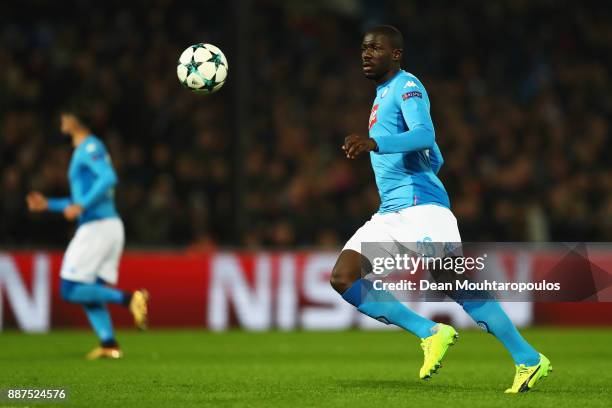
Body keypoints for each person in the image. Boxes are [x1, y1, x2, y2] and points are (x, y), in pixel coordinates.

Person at [331, 25, 551, 393]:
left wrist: (375, 142)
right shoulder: (381, 94)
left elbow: (425, 135)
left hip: (422, 207)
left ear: (396, 54)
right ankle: (429, 331)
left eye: (376, 48)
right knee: (344, 276)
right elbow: (435, 156)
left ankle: (528, 359)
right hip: (390, 213)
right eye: (364, 48)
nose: (366, 54)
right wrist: (413, 155)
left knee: (454, 282)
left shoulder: (407, 85)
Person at [26, 104, 149, 359]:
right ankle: (109, 344)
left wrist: (82, 204)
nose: (61, 120)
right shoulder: (85, 149)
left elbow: (108, 178)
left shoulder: (90, 147)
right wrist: (48, 204)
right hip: (104, 226)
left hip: (98, 227)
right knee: (88, 289)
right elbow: (79, 197)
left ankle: (130, 299)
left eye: (65, 115)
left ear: (76, 119)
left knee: (69, 289)